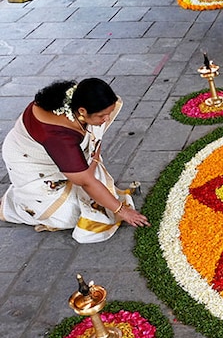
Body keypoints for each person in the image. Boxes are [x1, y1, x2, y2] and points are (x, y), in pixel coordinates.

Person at [1, 79, 150, 243]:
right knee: (70, 215)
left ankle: (79, 172)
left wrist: (91, 163)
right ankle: (13, 207)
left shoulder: (77, 97)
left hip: (55, 150)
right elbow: (85, 182)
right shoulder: (58, 135)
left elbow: (93, 143)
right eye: (102, 115)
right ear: (82, 111)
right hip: (30, 163)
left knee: (93, 188)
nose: (107, 119)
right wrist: (122, 211)